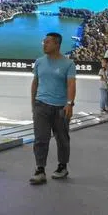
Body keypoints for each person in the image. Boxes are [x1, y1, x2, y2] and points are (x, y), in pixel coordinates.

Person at [29, 32, 76, 184]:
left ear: (57, 44)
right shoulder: (39, 62)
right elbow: (35, 83)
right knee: (40, 139)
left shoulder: (68, 64)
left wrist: (69, 103)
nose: (44, 44)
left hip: (61, 108)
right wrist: (33, 104)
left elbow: (71, 84)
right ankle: (40, 169)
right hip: (41, 105)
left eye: (48, 42)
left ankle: (62, 167)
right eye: (44, 42)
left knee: (62, 139)